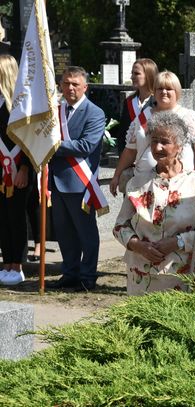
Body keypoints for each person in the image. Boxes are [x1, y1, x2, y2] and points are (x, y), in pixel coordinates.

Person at [113, 111, 195, 295]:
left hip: (185, 276)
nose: (158, 147)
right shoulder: (137, 183)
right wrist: (138, 245)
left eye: (165, 142)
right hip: (142, 276)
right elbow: (120, 226)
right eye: (154, 141)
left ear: (179, 146)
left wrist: (177, 242)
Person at [47, 66, 106, 292]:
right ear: (61, 85)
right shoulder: (56, 111)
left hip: (80, 183)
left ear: (85, 87)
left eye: (75, 84)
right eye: (66, 83)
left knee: (85, 232)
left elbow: (85, 145)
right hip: (57, 181)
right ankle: (70, 272)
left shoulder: (94, 113)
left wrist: (53, 146)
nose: (70, 88)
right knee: (64, 232)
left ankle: (88, 275)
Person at [109, 71, 195, 196]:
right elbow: (130, 151)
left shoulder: (189, 117)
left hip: (180, 186)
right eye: (160, 88)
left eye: (169, 88)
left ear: (176, 92)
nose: (164, 92)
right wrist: (116, 175)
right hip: (143, 185)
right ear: (154, 92)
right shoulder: (143, 117)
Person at [0, 54, 34, 286]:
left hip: (19, 170)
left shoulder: (21, 106)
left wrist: (24, 168)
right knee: (2, 218)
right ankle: (6, 261)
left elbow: (30, 141)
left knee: (17, 217)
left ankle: (18, 264)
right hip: (1, 171)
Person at [112, 58, 158, 154]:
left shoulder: (157, 102)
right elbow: (122, 134)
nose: (132, 77)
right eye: (132, 73)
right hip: (129, 158)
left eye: (136, 73)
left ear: (149, 76)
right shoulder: (128, 102)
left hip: (150, 156)